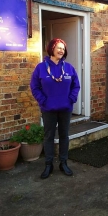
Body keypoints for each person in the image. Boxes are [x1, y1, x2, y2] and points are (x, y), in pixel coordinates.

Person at [30, 38, 80, 179]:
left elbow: (76, 85)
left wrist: (71, 99)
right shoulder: (40, 68)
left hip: (65, 108)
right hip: (48, 108)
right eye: (58, 48)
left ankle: (63, 163)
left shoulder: (69, 68)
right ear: (51, 48)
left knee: (64, 136)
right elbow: (35, 87)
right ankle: (48, 164)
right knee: (49, 137)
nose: (61, 51)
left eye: (63, 49)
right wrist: (43, 100)